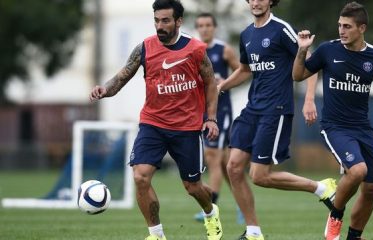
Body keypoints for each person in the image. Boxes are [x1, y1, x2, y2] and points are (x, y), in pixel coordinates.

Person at [89, 1, 223, 239]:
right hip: (153, 124)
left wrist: (211, 119)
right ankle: (156, 234)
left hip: (188, 128)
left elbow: (211, 83)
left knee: (192, 187)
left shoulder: (195, 50)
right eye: (156, 20)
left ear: (178, 21)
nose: (159, 26)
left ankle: (210, 213)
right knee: (140, 176)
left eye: (165, 21)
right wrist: (104, 90)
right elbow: (121, 78)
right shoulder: (145, 48)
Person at [217, 0, 337, 239]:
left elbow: (310, 62)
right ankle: (253, 232)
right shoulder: (247, 34)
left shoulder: (281, 29)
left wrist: (310, 100)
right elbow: (245, 69)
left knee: (259, 176)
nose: (256, 2)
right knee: (233, 167)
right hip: (253, 109)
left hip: (276, 109)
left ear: (271, 1)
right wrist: (221, 86)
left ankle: (322, 188)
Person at [292, 2, 373, 240]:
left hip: (363, 128)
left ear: (362, 28)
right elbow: (297, 76)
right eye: (339, 25)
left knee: (372, 188)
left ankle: (354, 236)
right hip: (335, 127)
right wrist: (302, 50)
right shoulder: (328, 50)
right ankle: (335, 214)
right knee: (357, 171)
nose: (341, 30)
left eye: (347, 26)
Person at [193, 12, 243, 223]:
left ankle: (211, 207)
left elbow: (243, 71)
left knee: (212, 156)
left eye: (208, 25)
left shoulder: (224, 50)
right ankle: (243, 203)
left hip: (220, 113)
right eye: (201, 25)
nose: (205, 29)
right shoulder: (193, 51)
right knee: (222, 164)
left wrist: (223, 82)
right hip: (200, 113)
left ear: (214, 28)